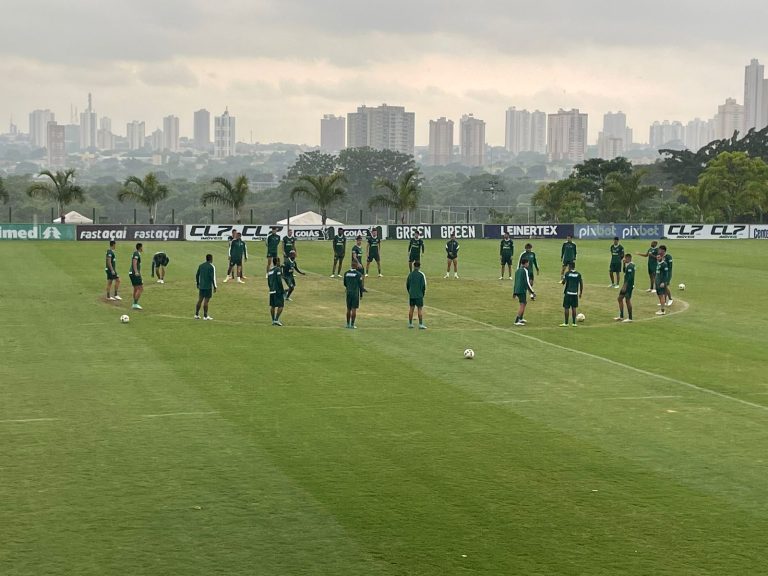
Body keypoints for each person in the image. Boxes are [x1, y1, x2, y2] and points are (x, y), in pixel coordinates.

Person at [560, 261, 583, 326]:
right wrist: (580, 292)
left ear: (569, 267)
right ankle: (574, 323)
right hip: (575, 293)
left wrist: (562, 281)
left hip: (568, 293)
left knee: (566, 307)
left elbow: (563, 282)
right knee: (574, 307)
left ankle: (566, 323)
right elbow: (581, 284)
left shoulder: (567, 273)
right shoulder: (578, 274)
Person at [194, 254, 217, 320]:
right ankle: (205, 316)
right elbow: (212, 277)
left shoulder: (201, 266)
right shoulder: (211, 267)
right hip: (208, 287)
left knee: (200, 300)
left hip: (201, 286)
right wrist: (215, 286)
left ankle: (196, 314)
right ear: (211, 259)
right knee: (206, 301)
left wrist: (198, 283)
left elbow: (197, 275)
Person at [513, 258, 535, 326]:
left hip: (517, 289)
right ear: (525, 263)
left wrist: (514, 292)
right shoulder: (525, 270)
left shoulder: (517, 270)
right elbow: (527, 282)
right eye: (528, 263)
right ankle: (517, 320)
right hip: (522, 290)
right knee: (522, 304)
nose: (528, 264)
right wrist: (532, 291)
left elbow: (515, 281)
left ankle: (520, 318)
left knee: (524, 303)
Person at [343, 260, 364, 329]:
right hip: (355, 293)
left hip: (348, 292)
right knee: (354, 309)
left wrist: (348, 287)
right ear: (356, 266)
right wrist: (361, 294)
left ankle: (347, 324)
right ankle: (352, 324)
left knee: (348, 309)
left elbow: (345, 283)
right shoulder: (358, 274)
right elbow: (361, 286)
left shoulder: (346, 273)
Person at [406, 260, 427, 329]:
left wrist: (410, 292)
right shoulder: (421, 275)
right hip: (419, 295)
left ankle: (410, 323)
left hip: (412, 294)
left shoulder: (410, 274)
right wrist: (422, 294)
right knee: (419, 309)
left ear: (413, 266)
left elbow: (407, 285)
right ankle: (420, 324)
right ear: (419, 267)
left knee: (411, 309)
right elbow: (423, 286)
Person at [267, 256, 287, 326]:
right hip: (277, 290)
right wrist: (282, 291)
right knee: (281, 305)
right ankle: (276, 319)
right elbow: (279, 281)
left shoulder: (270, 271)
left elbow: (268, 281)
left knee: (272, 306)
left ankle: (273, 320)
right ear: (277, 262)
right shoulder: (278, 269)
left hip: (272, 290)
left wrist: (271, 288)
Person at [615, 253, 635, 323]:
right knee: (619, 298)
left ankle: (630, 318)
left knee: (627, 300)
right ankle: (621, 316)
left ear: (629, 258)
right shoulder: (628, 265)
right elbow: (624, 271)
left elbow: (630, 277)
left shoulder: (631, 266)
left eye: (625, 258)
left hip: (628, 286)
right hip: (626, 285)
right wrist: (623, 264)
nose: (624, 259)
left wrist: (625, 285)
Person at [128, 242, 144, 310]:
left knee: (135, 288)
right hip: (135, 273)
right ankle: (135, 304)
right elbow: (134, 262)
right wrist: (137, 272)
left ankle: (134, 303)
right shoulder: (136, 253)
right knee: (140, 288)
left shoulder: (136, 253)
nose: (143, 248)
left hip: (132, 273)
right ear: (140, 247)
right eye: (142, 247)